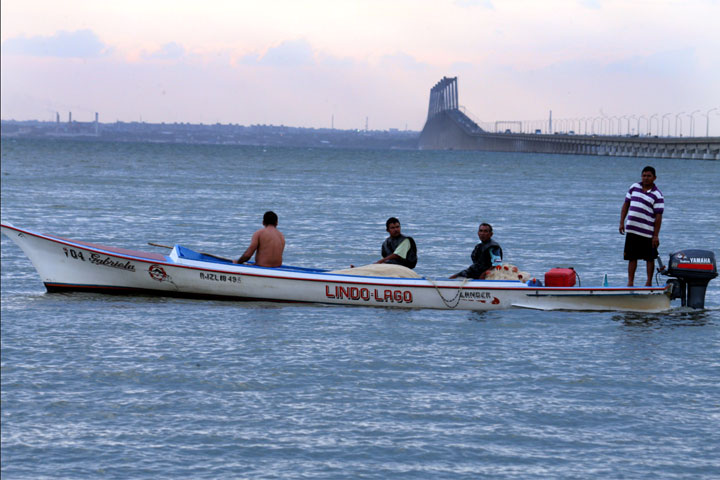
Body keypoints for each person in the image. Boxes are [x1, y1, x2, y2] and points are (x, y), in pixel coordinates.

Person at [619, 166, 664, 286]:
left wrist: (656, 235)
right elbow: (626, 205)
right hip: (632, 230)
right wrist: (621, 222)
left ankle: (648, 283)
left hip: (647, 232)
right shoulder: (634, 187)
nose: (646, 178)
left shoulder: (657, 195)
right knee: (631, 257)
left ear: (654, 178)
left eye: (649, 176)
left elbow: (658, 216)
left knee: (649, 258)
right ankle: (630, 283)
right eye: (644, 175)